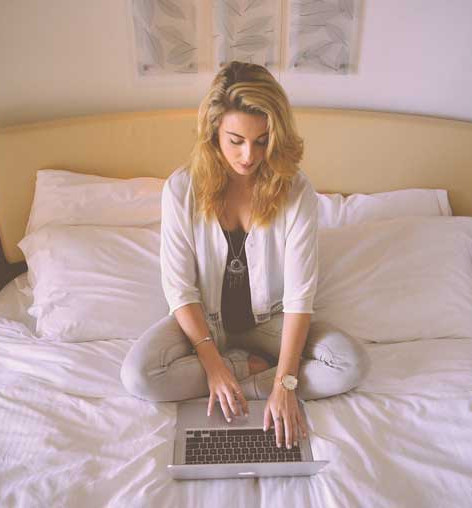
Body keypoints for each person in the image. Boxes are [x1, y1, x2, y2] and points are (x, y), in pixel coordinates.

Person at [121, 61, 369, 450]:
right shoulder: (181, 188)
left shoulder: (296, 191)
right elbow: (179, 288)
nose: (249, 155)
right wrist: (215, 365)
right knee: (139, 376)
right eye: (235, 140)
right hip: (206, 325)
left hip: (273, 321)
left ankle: (258, 383)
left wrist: (285, 385)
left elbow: (300, 296)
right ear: (213, 132)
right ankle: (244, 370)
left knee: (350, 363)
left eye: (261, 140)